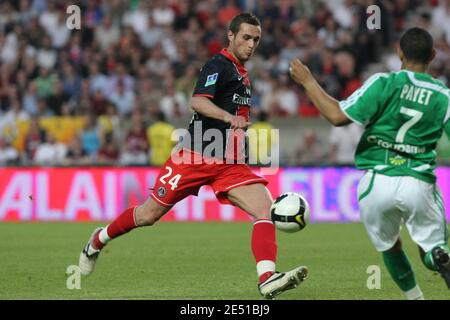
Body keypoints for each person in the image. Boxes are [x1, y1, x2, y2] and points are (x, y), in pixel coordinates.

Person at [78, 13, 307, 299]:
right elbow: (197, 101)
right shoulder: (218, 65)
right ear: (231, 36)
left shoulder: (243, 74)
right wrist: (227, 117)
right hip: (193, 157)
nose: (251, 45)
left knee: (264, 209)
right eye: (246, 38)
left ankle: (267, 278)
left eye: (256, 39)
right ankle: (98, 240)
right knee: (148, 215)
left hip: (229, 162)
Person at [289, 27, 450, 299]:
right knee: (431, 250)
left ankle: (417, 298)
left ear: (399, 52)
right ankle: (439, 258)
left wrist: (307, 81)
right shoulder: (443, 96)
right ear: (433, 55)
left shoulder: (383, 83)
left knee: (389, 246)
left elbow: (337, 116)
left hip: (376, 182)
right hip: (417, 181)